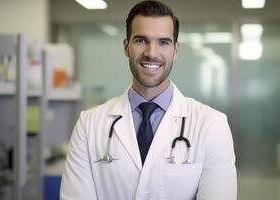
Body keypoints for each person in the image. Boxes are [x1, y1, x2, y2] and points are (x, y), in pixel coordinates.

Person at [60, 1, 237, 199]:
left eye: (163, 42)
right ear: (126, 46)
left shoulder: (212, 124)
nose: (151, 53)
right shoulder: (89, 124)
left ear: (175, 50)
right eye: (141, 40)